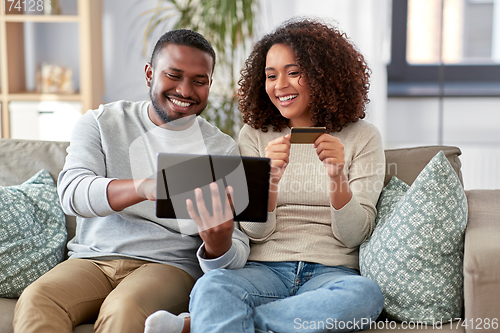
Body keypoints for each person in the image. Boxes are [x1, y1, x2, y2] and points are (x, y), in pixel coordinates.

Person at [13, 29, 249, 333]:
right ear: (150, 74)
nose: (185, 90)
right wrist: (144, 187)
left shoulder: (223, 149)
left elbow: (240, 244)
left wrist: (219, 246)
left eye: (199, 81)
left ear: (209, 84)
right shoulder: (100, 122)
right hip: (92, 260)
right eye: (173, 75)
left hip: (169, 267)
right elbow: (72, 192)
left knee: (123, 309)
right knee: (37, 298)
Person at [186, 18, 387, 333]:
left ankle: (242, 320)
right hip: (264, 271)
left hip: (330, 275)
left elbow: (355, 236)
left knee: (366, 295)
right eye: (270, 75)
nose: (280, 86)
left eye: (294, 73)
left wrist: (337, 178)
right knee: (212, 287)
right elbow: (254, 233)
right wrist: (269, 181)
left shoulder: (363, 137)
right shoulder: (254, 135)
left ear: (323, 75)